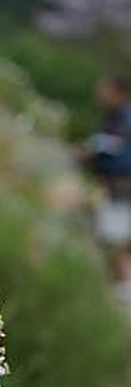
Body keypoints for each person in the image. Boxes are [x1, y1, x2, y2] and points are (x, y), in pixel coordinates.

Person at [79, 73, 131, 291]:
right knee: (107, 233)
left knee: (116, 237)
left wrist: (91, 149)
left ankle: (123, 288)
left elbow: (113, 148)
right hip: (109, 184)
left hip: (120, 186)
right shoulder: (112, 117)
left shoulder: (124, 118)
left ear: (118, 92)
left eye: (105, 90)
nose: (99, 95)